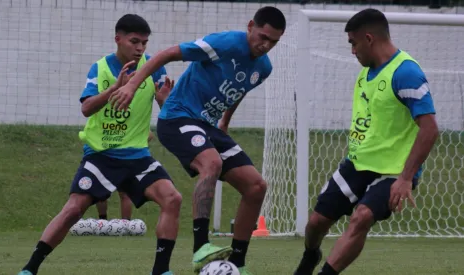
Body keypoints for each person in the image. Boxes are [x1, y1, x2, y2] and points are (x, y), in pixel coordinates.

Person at [110, 6, 287, 275]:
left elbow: (240, 90)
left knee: (256, 186)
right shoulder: (224, 43)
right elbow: (167, 53)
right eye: (262, 36)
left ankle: (237, 263)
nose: (265, 45)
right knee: (211, 163)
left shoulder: (263, 68)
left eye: (273, 41)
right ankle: (201, 246)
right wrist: (132, 86)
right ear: (250, 25)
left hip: (208, 126)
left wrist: (225, 122)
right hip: (178, 117)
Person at [17, 14, 181, 275]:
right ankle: (29, 268)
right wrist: (115, 89)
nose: (140, 48)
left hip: (138, 156)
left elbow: (168, 111)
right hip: (101, 157)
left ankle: (161, 271)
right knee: (73, 209)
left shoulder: (154, 69)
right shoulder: (100, 68)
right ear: (118, 39)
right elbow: (86, 108)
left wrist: (165, 101)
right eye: (134, 41)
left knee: (172, 198)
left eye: (145, 43)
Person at [293, 8, 439, 275]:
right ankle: (310, 255)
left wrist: (406, 178)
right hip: (359, 163)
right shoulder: (367, 72)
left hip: (394, 171)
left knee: (362, 217)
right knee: (316, 222)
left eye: (353, 43)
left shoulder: (406, 73)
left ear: (369, 39)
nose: (352, 50)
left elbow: (429, 129)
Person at [95, 132, 155, 221]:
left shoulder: (129, 122)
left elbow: (149, 135)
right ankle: (102, 222)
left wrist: (132, 146)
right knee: (101, 194)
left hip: (123, 159)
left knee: (124, 194)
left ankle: (125, 224)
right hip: (105, 157)